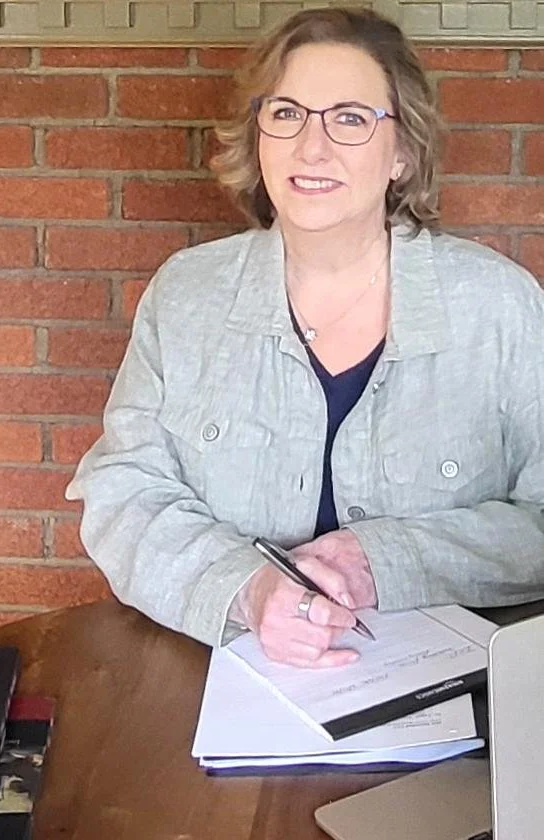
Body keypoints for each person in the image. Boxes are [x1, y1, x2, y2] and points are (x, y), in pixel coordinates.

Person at [66, 6, 544, 668]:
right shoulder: (187, 298)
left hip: (454, 696)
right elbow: (123, 492)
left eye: (349, 118)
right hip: (220, 684)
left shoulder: (498, 306)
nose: (310, 147)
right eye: (287, 113)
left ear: (403, 152)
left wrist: (383, 559)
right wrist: (248, 587)